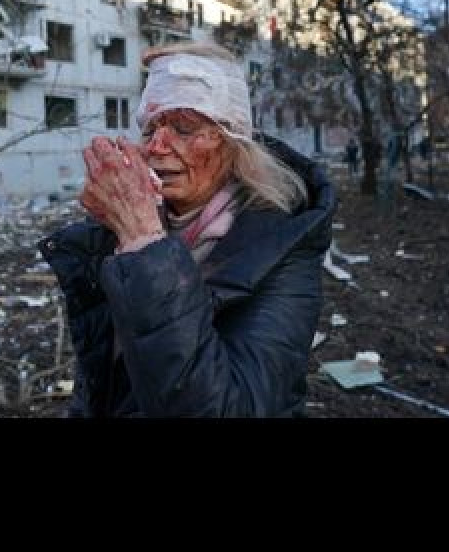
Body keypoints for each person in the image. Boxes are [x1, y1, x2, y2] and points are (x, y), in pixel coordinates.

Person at [38, 41, 336, 417]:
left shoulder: (284, 248)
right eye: (149, 130)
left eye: (183, 128)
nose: (157, 146)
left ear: (234, 145)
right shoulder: (123, 227)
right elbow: (101, 378)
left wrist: (144, 242)